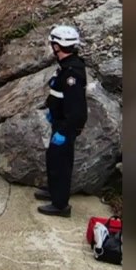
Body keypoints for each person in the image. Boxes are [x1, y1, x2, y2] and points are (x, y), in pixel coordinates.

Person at [35, 25, 88, 217]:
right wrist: (52, 111)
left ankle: (60, 205)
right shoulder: (66, 67)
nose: (51, 46)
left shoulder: (72, 73)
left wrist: (65, 131)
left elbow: (77, 109)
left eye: (53, 43)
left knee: (61, 163)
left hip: (66, 126)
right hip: (59, 121)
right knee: (53, 159)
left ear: (58, 46)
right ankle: (53, 190)